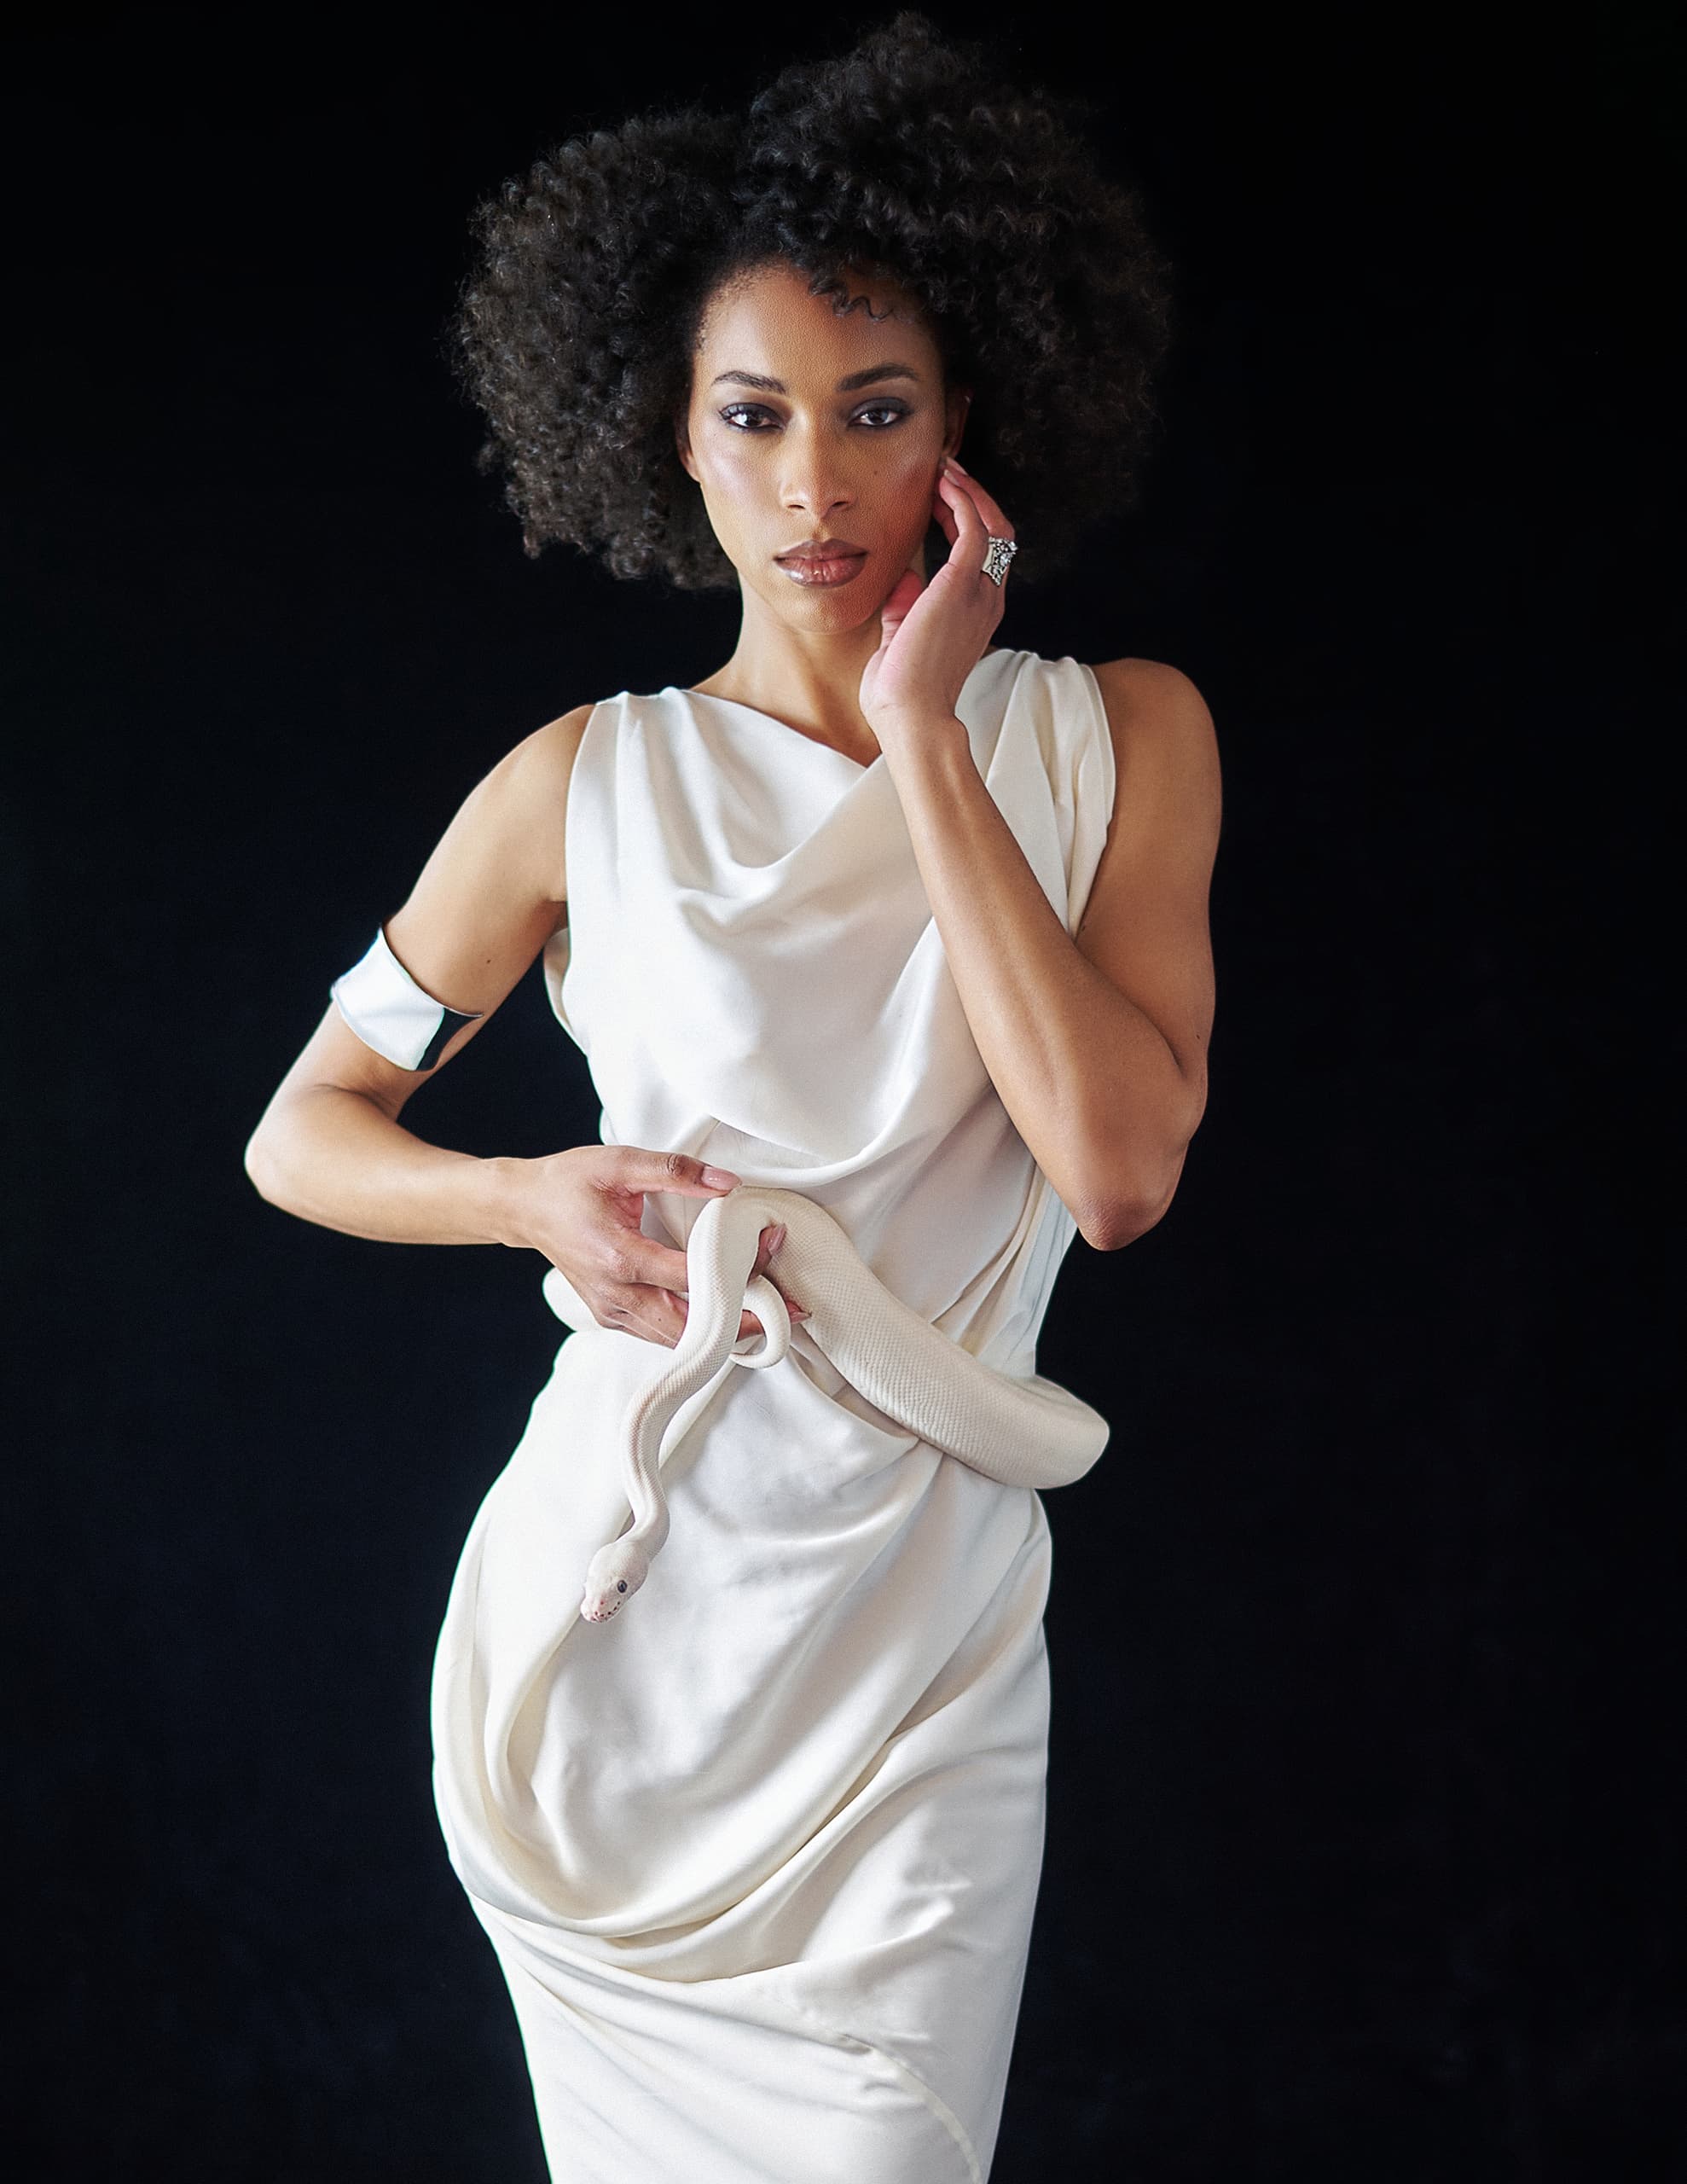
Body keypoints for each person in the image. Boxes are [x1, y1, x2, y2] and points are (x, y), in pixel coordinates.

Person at [243, 12, 1220, 2178]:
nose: (816, 483)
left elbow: (1117, 1166)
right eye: (752, 417)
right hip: (617, 1630)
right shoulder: (576, 788)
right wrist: (523, 1199)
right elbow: (296, 1127)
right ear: (662, 441)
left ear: (969, 421)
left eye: (875, 413)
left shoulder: (1116, 736)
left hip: (920, 1651)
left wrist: (930, 734)